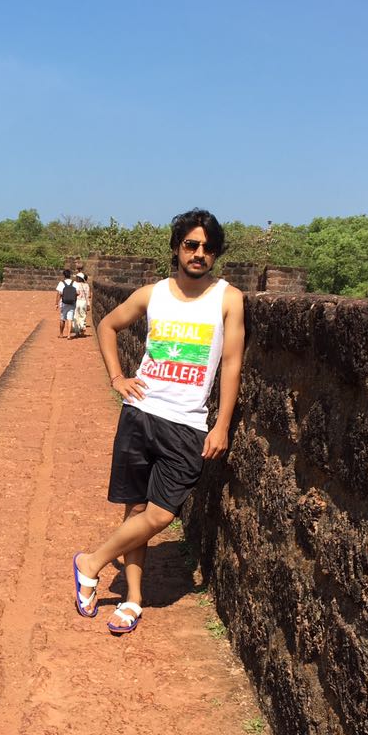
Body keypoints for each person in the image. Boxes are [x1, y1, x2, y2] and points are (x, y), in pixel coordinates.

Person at [73, 209, 245, 634]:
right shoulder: (153, 294)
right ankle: (132, 599)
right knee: (135, 508)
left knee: (162, 514)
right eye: (191, 244)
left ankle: (89, 563)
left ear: (216, 254)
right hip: (141, 412)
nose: (199, 253)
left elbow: (231, 364)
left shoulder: (228, 298)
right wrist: (117, 378)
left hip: (187, 424)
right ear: (176, 247)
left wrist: (222, 424)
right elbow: (108, 325)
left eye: (208, 247)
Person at [56, 270, 78, 339]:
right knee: (70, 319)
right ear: (70, 275)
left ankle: (61, 334)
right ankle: (68, 335)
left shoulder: (61, 283)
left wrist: (56, 303)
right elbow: (78, 293)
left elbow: (59, 294)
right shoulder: (74, 283)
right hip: (72, 303)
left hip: (63, 303)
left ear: (64, 275)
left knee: (62, 318)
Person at [72, 272, 91, 338]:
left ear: (79, 278)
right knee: (82, 316)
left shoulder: (75, 284)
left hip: (76, 301)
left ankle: (77, 331)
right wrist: (88, 304)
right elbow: (88, 296)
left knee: (75, 316)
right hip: (84, 302)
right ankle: (82, 328)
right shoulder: (87, 285)